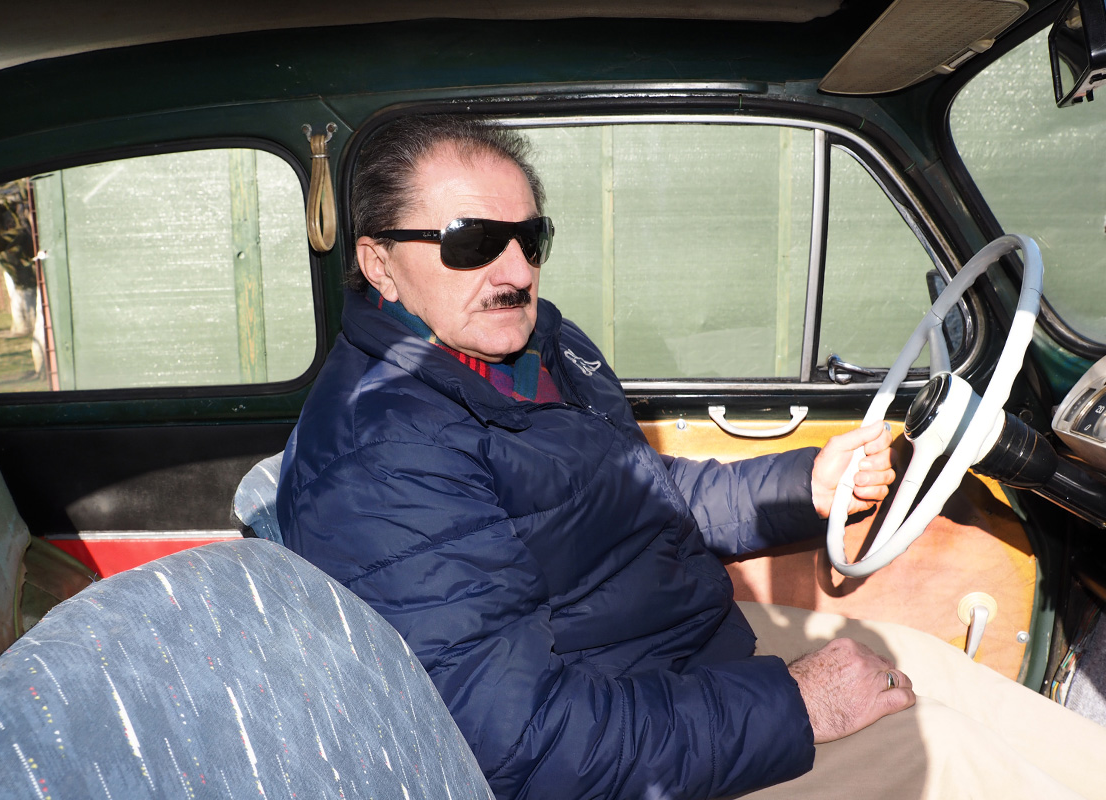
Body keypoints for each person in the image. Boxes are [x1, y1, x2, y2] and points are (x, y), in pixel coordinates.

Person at [277, 115, 1104, 799]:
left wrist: (802, 485)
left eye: (531, 238)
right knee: (949, 756)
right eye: (474, 242)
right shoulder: (381, 453)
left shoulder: (540, 349)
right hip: (616, 742)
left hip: (681, 649)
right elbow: (524, 745)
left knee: (936, 675)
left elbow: (639, 489)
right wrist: (798, 704)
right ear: (379, 263)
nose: (518, 270)